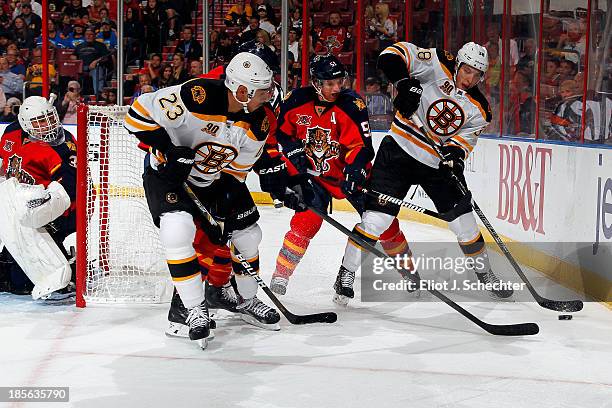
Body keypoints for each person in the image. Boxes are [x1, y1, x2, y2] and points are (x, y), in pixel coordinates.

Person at [332, 41, 514, 302]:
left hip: (435, 163)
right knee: (377, 220)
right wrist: (404, 82)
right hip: (398, 150)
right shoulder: (435, 63)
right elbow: (390, 55)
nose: (469, 78)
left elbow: (464, 141)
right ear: (457, 63)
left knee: (465, 223)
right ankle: (345, 274)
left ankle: (485, 273)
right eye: (466, 70)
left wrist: (455, 156)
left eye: (476, 74)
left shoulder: (480, 109)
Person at [124, 52, 281, 348]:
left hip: (212, 181)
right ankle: (192, 310)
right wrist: (169, 150)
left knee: (248, 235)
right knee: (177, 229)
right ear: (243, 91)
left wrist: (224, 210)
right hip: (166, 176)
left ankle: (247, 301)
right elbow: (136, 115)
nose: (269, 95)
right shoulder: (196, 96)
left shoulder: (259, 122)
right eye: (264, 90)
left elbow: (236, 173)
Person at [267, 55, 409, 303]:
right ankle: (281, 274)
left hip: (346, 175)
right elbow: (280, 133)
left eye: (339, 82)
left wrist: (355, 171)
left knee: (383, 222)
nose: (336, 88)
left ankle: (408, 272)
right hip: (315, 177)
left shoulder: (353, 105)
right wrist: (293, 152)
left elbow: (363, 146)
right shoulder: (294, 101)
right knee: (307, 221)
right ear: (315, 82)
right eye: (329, 83)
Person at [0, 96, 77, 299]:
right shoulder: (11, 134)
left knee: (22, 279)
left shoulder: (64, 144)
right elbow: (5, 168)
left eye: (50, 118)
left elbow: (70, 190)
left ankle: (66, 264)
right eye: (40, 121)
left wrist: (43, 214)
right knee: (11, 273)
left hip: (60, 209)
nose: (48, 125)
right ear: (25, 123)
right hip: (21, 208)